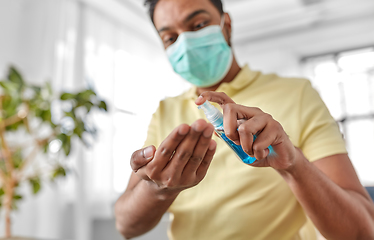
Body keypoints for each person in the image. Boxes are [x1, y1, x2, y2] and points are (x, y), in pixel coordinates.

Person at [114, 0, 374, 239]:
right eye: (170, 37)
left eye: (199, 25)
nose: (186, 43)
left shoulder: (297, 94)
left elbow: (362, 231)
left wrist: (293, 165)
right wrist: (160, 190)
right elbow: (126, 226)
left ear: (226, 25)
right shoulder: (165, 111)